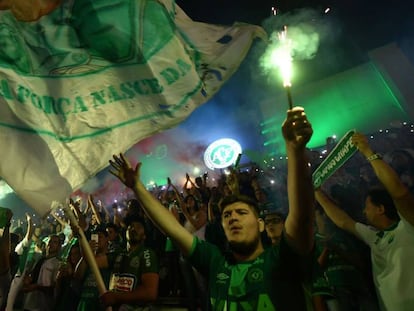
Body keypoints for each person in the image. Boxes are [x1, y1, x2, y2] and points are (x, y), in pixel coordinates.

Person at [108, 106, 314, 310]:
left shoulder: (282, 259)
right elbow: (172, 229)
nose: (233, 217)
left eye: (241, 212)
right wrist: (137, 188)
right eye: (227, 215)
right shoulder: (215, 261)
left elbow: (302, 217)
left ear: (261, 224)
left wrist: (294, 151)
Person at [314, 132, 414, 311]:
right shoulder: (375, 237)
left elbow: (400, 193)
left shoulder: (408, 228)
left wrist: (369, 152)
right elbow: (343, 221)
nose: (363, 211)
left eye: (367, 206)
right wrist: (317, 192)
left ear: (381, 208)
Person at [100, 218, 160, 310]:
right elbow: (93, 262)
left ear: (144, 236)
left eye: (138, 227)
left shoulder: (146, 253)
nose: (133, 229)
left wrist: (116, 297)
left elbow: (150, 293)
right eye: (130, 226)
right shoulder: (119, 254)